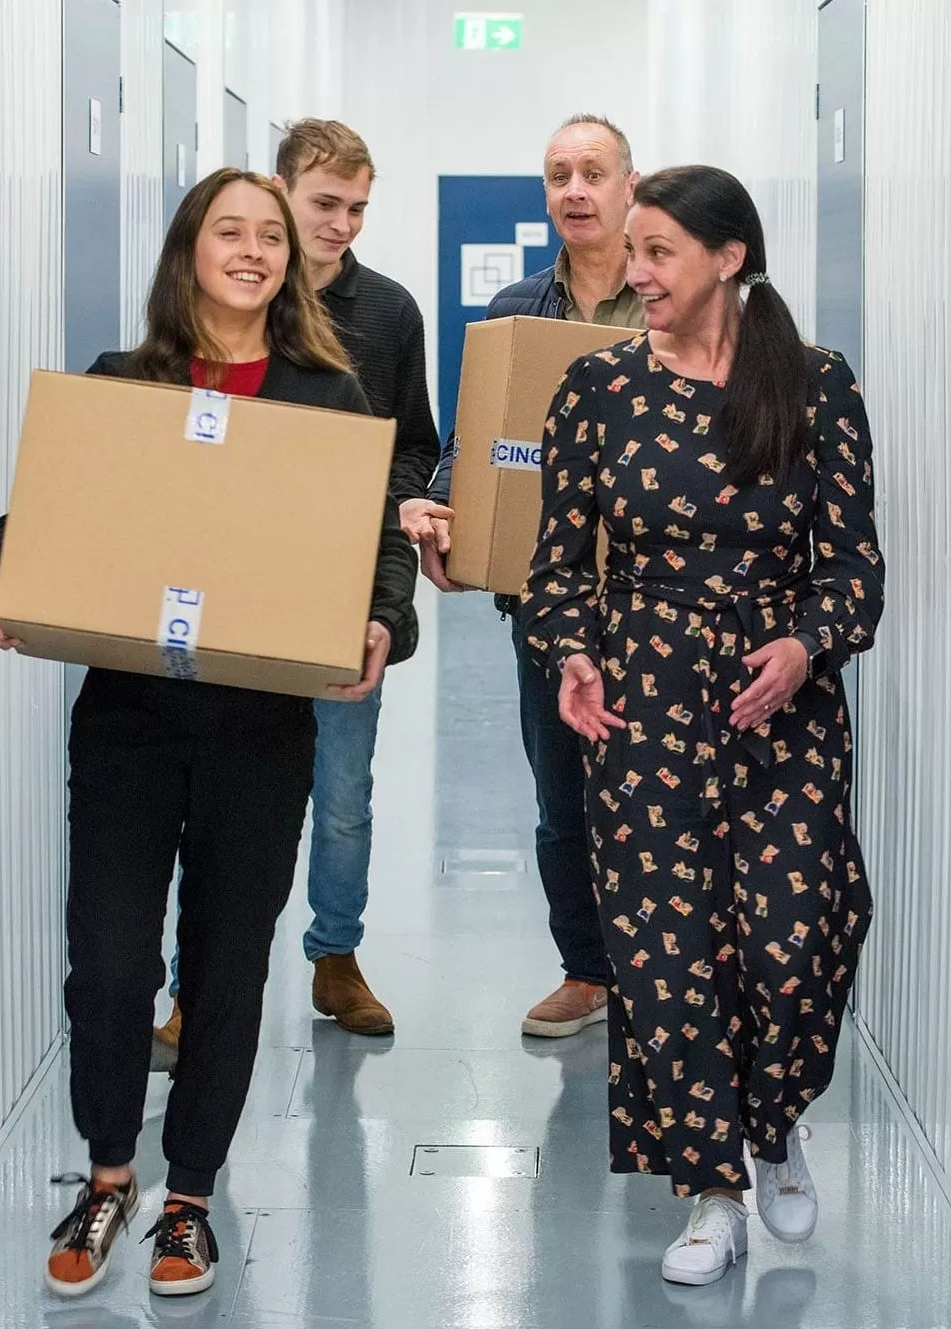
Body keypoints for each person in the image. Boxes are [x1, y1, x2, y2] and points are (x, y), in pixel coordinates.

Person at [0, 168, 418, 1299]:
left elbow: (380, 543)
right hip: (129, 719)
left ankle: (189, 1201)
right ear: (189, 251)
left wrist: (383, 618)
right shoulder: (126, 385)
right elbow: (39, 512)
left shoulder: (329, 396)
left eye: (272, 236)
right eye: (232, 231)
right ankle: (108, 1175)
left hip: (261, 728)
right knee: (112, 967)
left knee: (226, 967)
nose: (256, 250)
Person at [520, 164, 883, 1286]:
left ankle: (772, 1123)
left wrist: (806, 646)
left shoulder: (816, 386)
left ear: (728, 257)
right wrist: (573, 652)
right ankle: (709, 1188)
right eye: (634, 251)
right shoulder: (596, 392)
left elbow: (854, 567)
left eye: (660, 251)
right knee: (666, 957)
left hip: (782, 707)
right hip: (646, 702)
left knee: (794, 933)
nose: (637, 273)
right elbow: (556, 566)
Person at [151, 121, 443, 1053]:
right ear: (277, 195)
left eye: (359, 209)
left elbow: (415, 447)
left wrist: (385, 513)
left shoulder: (390, 314)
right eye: (324, 205)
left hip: (344, 582)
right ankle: (199, 985)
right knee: (213, 790)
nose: (342, 225)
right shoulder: (207, 308)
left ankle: (335, 955)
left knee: (343, 787)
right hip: (227, 582)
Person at [424, 114, 646, 1039]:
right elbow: (475, 438)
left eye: (593, 172)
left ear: (632, 184)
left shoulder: (672, 294)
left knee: (663, 792)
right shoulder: (519, 307)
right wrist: (444, 511)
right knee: (564, 795)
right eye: (558, 175)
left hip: (663, 598)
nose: (575, 191)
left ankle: (664, 970)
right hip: (551, 599)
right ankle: (587, 971)